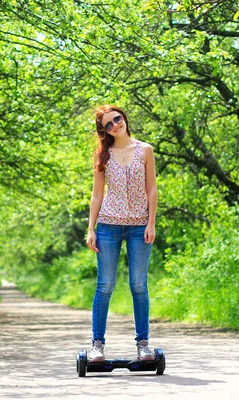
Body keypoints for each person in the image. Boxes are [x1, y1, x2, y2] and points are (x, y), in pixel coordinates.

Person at [85, 105, 158, 362]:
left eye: (117, 119)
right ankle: (97, 345)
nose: (116, 124)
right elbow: (97, 195)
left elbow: (151, 190)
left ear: (124, 118)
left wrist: (151, 223)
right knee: (105, 285)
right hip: (108, 225)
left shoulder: (145, 150)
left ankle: (143, 345)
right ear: (104, 131)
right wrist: (91, 229)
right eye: (109, 124)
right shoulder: (103, 156)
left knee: (138, 284)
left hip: (140, 226)